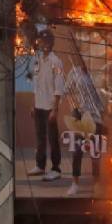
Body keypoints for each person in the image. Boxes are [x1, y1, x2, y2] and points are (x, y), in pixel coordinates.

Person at [26, 30, 66, 182]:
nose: (40, 44)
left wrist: (55, 109)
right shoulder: (38, 60)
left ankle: (56, 169)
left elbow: (59, 86)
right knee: (40, 137)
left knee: (52, 138)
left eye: (42, 42)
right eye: (39, 42)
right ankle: (40, 165)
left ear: (49, 43)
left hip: (50, 107)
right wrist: (33, 104)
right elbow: (36, 86)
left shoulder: (56, 62)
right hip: (39, 105)